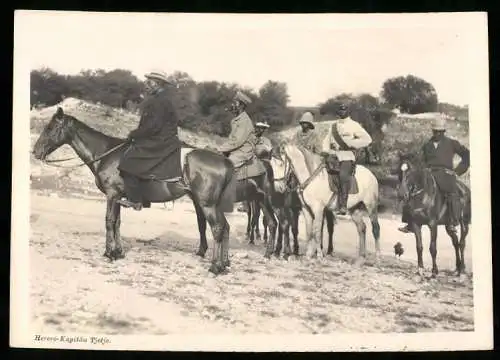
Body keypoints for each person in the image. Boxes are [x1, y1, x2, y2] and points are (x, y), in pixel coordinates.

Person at [117, 70, 183, 211]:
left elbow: (153, 126)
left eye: (150, 82)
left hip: (161, 141)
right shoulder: (160, 99)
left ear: (158, 84)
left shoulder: (159, 101)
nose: (147, 84)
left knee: (129, 162)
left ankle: (135, 200)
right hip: (161, 138)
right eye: (147, 81)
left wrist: (134, 134)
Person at [398, 115, 470, 233]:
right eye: (435, 131)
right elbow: (419, 159)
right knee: (411, 191)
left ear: (443, 132)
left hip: (446, 173)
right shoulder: (427, 145)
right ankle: (410, 222)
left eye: (439, 132)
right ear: (432, 131)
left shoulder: (452, 143)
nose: (437, 134)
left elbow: (467, 155)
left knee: (451, 191)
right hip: (429, 173)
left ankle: (452, 221)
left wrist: (458, 171)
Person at [321, 103, 372, 215]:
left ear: (348, 111)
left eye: (344, 110)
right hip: (333, 155)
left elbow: (367, 139)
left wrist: (352, 143)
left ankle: (343, 205)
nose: (342, 112)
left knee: (343, 176)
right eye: (340, 110)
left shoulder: (354, 125)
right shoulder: (333, 126)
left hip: (347, 156)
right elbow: (327, 139)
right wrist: (325, 150)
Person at [209, 91, 259, 169]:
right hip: (235, 149)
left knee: (226, 167)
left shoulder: (244, 121)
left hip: (243, 152)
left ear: (241, 106)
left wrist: (220, 149)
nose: (233, 105)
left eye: (235, 103)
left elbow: (237, 141)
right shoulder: (237, 120)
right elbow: (232, 140)